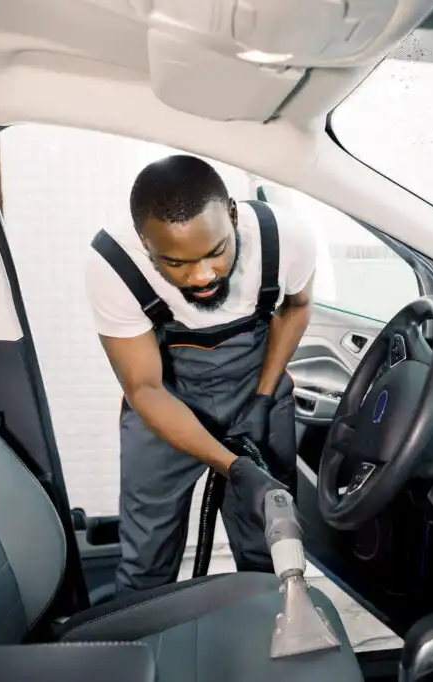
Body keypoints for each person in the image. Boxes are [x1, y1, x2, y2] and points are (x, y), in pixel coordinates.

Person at [84, 154, 316, 594]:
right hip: (166, 402)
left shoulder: (286, 237)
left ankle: (269, 642)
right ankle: (146, 650)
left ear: (231, 213)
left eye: (216, 252)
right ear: (143, 241)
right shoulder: (113, 263)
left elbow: (297, 307)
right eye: (175, 264)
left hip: (256, 390)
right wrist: (235, 467)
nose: (203, 275)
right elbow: (143, 386)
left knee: (269, 546)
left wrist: (264, 398)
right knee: (147, 560)